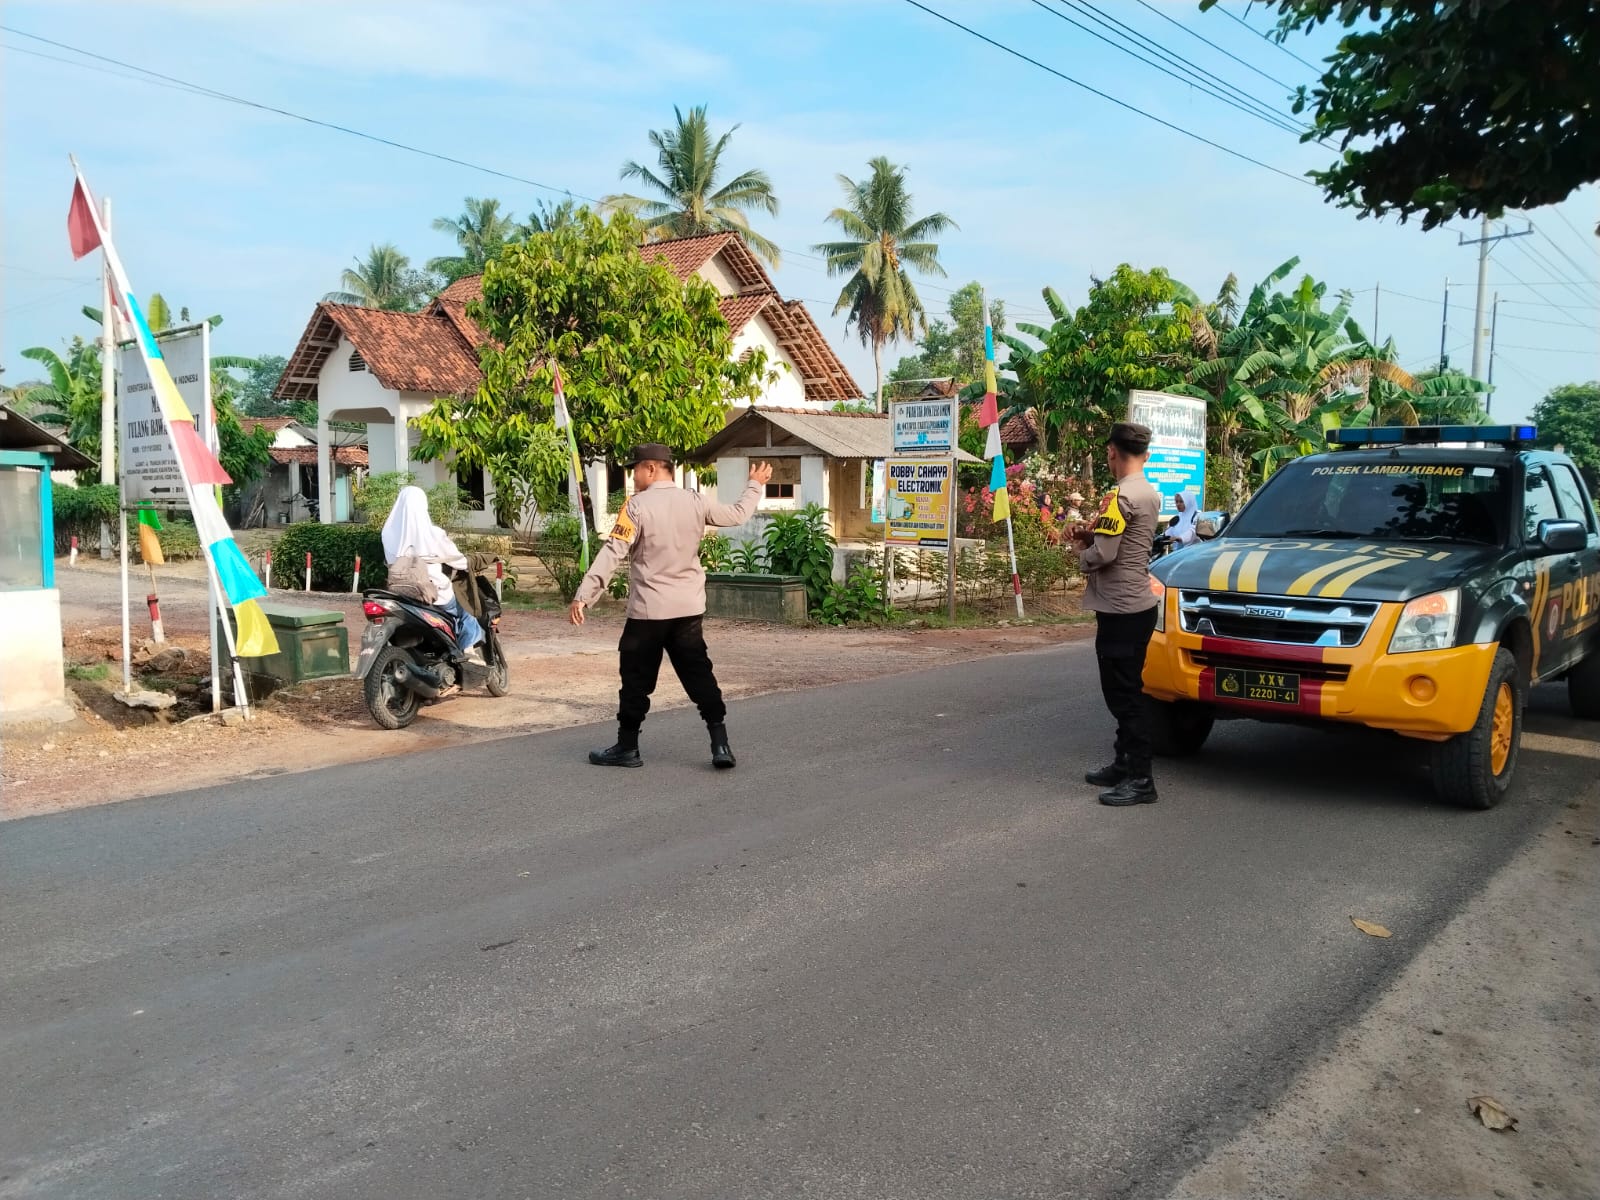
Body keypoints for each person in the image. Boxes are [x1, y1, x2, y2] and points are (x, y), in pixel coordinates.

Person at [570, 445, 773, 770]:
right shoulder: (695, 501)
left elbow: (613, 552)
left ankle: (627, 747)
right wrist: (755, 485)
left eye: (635, 469)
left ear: (651, 469)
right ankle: (720, 744)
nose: (633, 476)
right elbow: (736, 514)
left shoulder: (635, 507)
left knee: (636, 680)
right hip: (688, 610)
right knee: (699, 674)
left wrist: (585, 593)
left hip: (649, 612)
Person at [1068, 422, 1163, 806]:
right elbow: (1121, 543)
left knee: (1123, 696)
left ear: (1111, 452)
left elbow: (1105, 555)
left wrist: (1080, 554)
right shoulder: (1149, 492)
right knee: (1126, 689)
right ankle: (1124, 763)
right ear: (1145, 454)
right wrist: (1094, 538)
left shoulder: (1120, 496)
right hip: (1137, 605)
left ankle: (1141, 778)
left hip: (1119, 607)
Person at [381, 485, 484, 664]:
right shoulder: (433, 534)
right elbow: (457, 560)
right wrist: (469, 564)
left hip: (400, 593)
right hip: (433, 594)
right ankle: (468, 650)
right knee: (466, 607)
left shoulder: (387, 533)